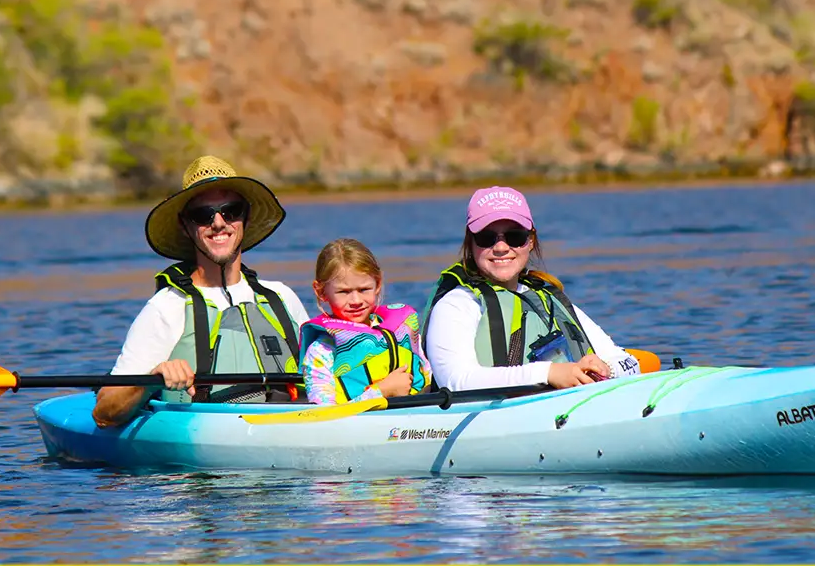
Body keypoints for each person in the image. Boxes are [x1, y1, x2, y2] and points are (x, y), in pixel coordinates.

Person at [93, 155, 310, 428]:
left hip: (295, 429)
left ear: (246, 217)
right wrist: (151, 379)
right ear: (186, 226)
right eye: (203, 215)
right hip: (209, 455)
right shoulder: (166, 308)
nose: (219, 223)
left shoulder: (282, 297)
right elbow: (104, 413)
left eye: (231, 210)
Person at [421, 186, 640, 392]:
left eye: (515, 237)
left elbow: (629, 362)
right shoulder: (457, 305)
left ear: (531, 241)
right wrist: (549, 373)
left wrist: (606, 369)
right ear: (470, 244)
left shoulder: (548, 301)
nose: (500, 248)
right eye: (486, 238)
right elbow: (456, 381)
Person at [299, 238, 432, 405]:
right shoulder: (322, 351)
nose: (356, 300)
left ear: (378, 284)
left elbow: (427, 374)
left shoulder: (401, 330)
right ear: (321, 292)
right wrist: (382, 391)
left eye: (364, 290)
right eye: (344, 292)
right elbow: (323, 414)